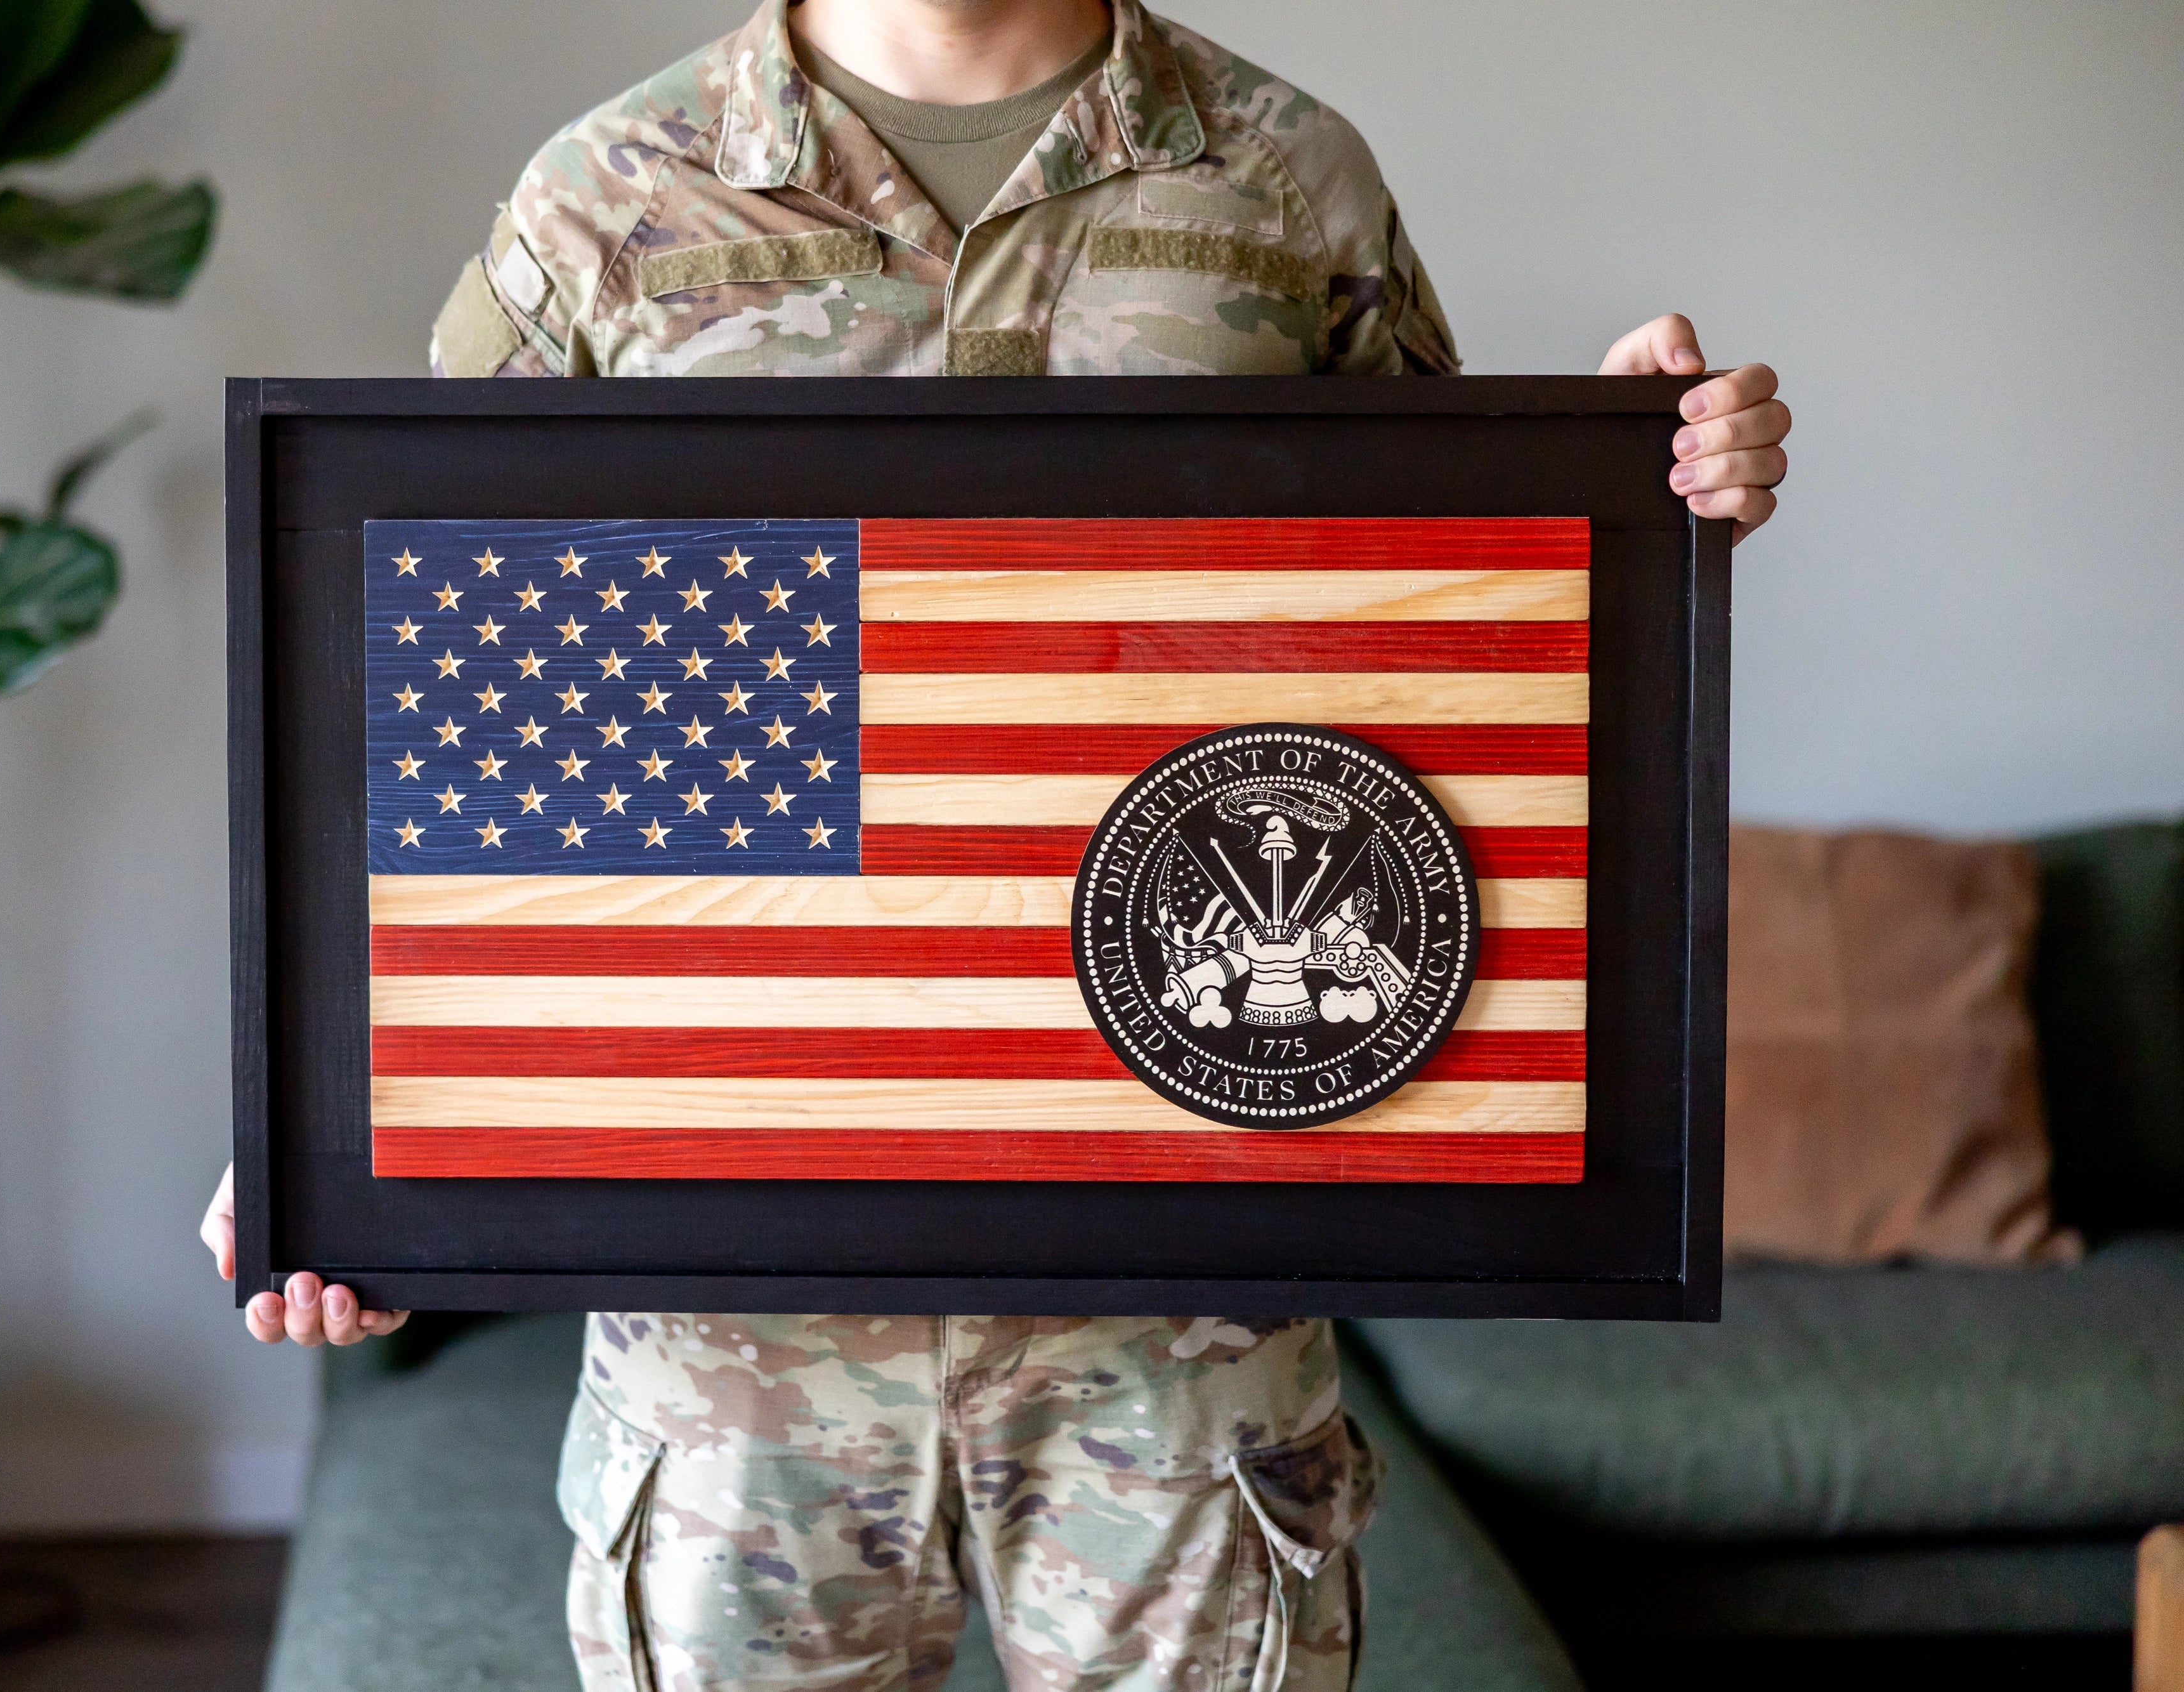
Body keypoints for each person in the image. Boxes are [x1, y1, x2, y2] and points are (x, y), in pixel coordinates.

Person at [203, 1, 1791, 1685]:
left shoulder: (1287, 177)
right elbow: (423, 672)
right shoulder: (610, 195)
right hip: (741, 1336)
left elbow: (1435, 639)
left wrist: (1634, 491)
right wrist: (321, 1133)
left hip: (1185, 1321)